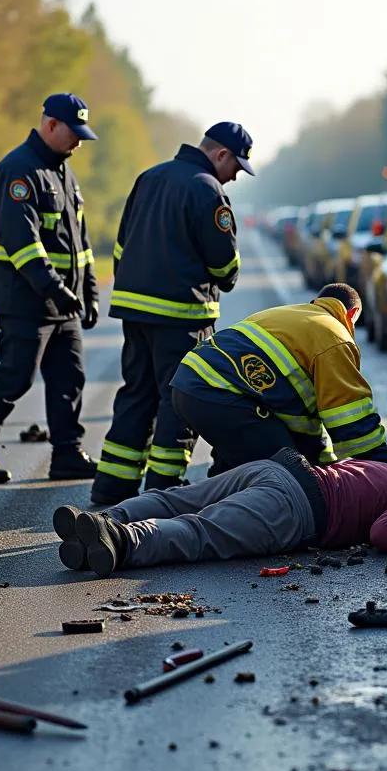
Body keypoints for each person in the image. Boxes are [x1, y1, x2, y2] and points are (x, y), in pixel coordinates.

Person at [91, 122, 252, 506]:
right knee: (179, 399)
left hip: (135, 311)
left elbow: (121, 246)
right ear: (221, 154)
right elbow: (224, 265)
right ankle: (163, 489)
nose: (234, 178)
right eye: (236, 167)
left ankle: (112, 484)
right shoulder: (207, 189)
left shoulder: (149, 177)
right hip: (183, 315)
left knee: (137, 392)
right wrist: (227, 275)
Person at [0, 93, 100, 484]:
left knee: (70, 375)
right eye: (74, 133)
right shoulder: (19, 171)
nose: (79, 142)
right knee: (15, 376)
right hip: (25, 301)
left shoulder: (63, 171)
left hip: (62, 302)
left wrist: (89, 292)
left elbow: (79, 242)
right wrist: (54, 289)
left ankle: (67, 452)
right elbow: (23, 245)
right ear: (50, 124)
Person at [52, 450, 387, 577]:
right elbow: (386, 532)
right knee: (201, 531)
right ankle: (121, 540)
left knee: (179, 498)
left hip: (275, 468)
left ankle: (108, 518)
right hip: (295, 508)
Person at [169, 283, 387, 474]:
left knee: (233, 472)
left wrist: (324, 461)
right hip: (221, 394)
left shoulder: (287, 316)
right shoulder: (335, 336)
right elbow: (353, 423)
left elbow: (297, 422)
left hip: (188, 384)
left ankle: (195, 516)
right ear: (351, 315)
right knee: (291, 478)